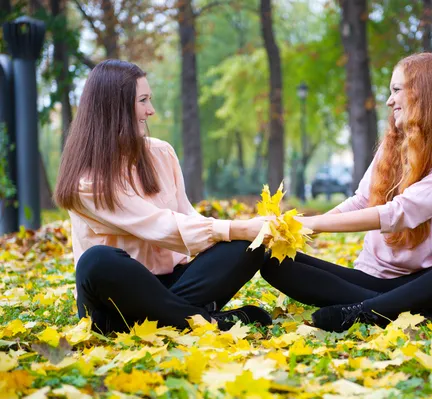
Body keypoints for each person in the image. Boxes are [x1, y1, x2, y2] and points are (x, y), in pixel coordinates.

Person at [261, 53, 432, 332]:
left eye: (397, 90)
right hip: (368, 278)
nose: (389, 101)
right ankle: (396, 309)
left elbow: (399, 213)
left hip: (424, 282)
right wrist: (304, 230)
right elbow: (362, 200)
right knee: (273, 262)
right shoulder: (391, 146)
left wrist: (312, 222)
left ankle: (365, 311)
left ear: (426, 94)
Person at [54, 59, 271, 335]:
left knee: (245, 247)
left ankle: (162, 319)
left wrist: (242, 235)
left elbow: (186, 216)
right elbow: (159, 226)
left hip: (172, 284)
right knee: (96, 261)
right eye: (143, 100)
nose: (151, 110)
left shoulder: (161, 153)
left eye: (150, 99)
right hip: (116, 296)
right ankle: (208, 321)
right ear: (114, 108)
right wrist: (236, 227)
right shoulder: (87, 180)